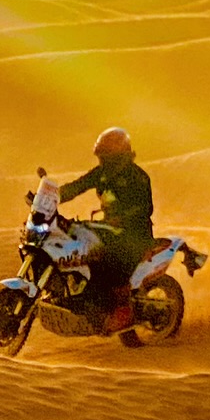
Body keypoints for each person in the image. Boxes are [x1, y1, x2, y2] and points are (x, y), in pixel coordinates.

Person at [58, 126, 154, 328]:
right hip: (110, 227)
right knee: (80, 245)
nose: (101, 161)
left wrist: (123, 218)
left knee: (110, 259)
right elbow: (77, 186)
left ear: (118, 155)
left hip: (135, 232)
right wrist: (51, 197)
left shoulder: (137, 177)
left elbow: (145, 207)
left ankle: (123, 311)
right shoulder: (101, 173)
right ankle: (84, 297)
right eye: (100, 156)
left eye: (105, 156)